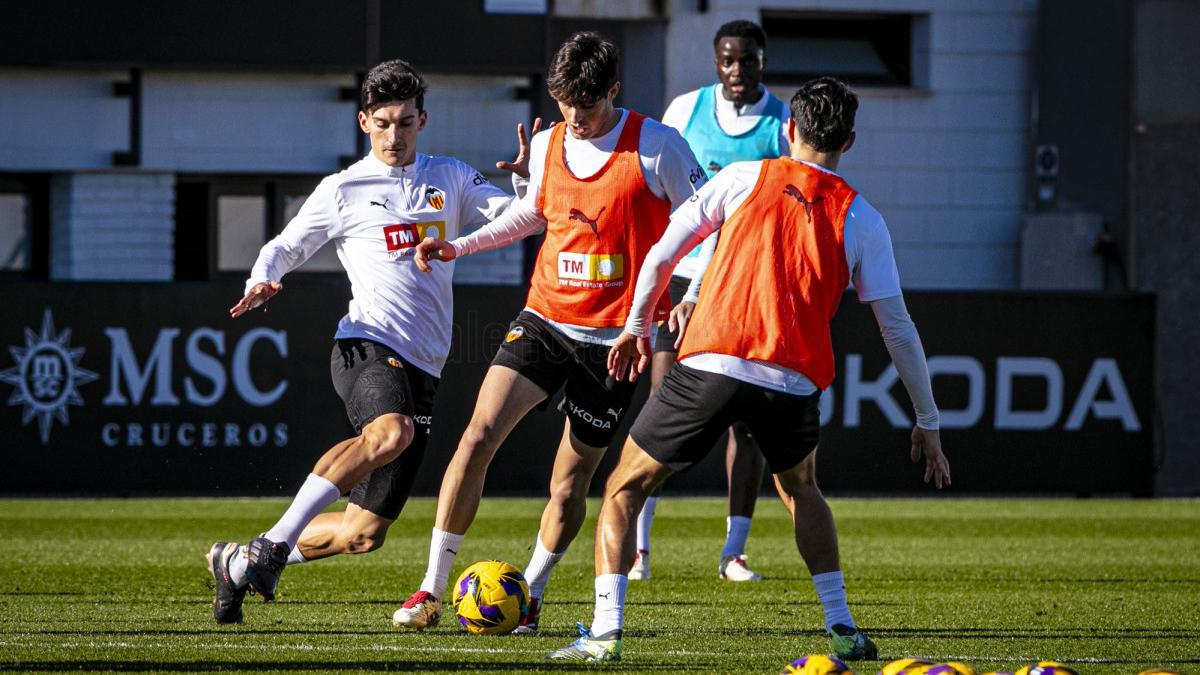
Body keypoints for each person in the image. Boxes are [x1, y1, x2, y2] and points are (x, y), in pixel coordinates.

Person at [546, 76, 951, 663]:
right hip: (792, 381)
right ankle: (840, 626)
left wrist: (635, 328)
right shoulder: (862, 218)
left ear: (789, 130)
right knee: (803, 490)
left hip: (712, 360)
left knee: (621, 489)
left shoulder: (741, 178)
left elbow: (662, 255)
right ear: (850, 142)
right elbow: (898, 329)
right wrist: (927, 419)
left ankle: (605, 634)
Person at [390, 31, 706, 635]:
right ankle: (429, 588)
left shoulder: (659, 147)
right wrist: (458, 245)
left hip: (616, 342)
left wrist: (690, 294)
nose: (574, 122)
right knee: (477, 436)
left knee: (569, 483)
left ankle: (529, 593)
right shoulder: (548, 140)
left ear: (614, 91)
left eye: (585, 111)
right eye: (564, 108)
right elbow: (532, 214)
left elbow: (708, 225)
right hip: (543, 320)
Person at [204, 59, 525, 624]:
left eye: (405, 122)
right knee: (390, 432)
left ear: (422, 119)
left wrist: (526, 181)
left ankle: (234, 562)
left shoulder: (450, 176)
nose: (394, 135)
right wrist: (261, 277)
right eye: (382, 123)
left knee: (363, 533)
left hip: (425, 367)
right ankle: (274, 543)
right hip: (366, 344)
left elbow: (521, 217)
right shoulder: (343, 189)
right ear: (362, 122)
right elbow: (285, 246)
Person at [631, 18, 791, 584]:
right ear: (715, 61)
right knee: (661, 405)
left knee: (744, 422)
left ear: (762, 61)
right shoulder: (684, 110)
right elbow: (659, 183)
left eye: (748, 60)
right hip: (682, 279)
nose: (737, 70)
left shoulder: (781, 124)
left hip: (742, 286)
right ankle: (640, 549)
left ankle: (734, 552)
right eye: (728, 60)